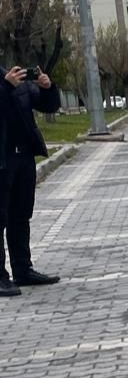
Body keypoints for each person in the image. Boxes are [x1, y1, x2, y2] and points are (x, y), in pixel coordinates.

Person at [0, 66, 61, 298]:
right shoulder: (7, 83)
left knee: (20, 215)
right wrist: (6, 87)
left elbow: (48, 105)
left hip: (23, 157)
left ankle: (22, 269)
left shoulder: (16, 80)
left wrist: (47, 88)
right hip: (2, 160)